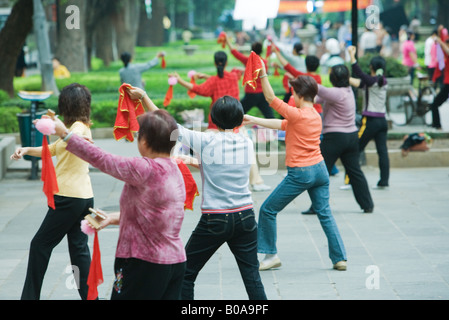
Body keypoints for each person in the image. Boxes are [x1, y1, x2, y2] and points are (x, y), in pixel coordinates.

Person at [130, 88, 267, 300]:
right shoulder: (246, 142)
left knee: (186, 274)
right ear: (239, 119)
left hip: (216, 220)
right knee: (252, 276)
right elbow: (223, 165)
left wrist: (145, 96)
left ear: (213, 118)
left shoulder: (206, 141)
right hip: (246, 218)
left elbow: (168, 125)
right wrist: (194, 162)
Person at [48, 101, 187, 300]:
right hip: (174, 262)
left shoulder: (145, 168)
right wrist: (113, 218)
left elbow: (104, 160)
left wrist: (65, 134)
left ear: (145, 142)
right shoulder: (174, 170)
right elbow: (157, 216)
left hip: (144, 263)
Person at [244, 66, 347, 272]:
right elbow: (282, 124)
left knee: (267, 210)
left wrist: (263, 73)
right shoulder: (314, 115)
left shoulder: (297, 115)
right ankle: (340, 259)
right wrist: (253, 120)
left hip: (301, 172)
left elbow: (270, 97)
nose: (292, 94)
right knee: (325, 214)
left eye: (293, 92)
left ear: (299, 94)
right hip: (320, 170)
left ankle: (271, 255)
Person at [11, 83, 94, 300]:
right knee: (79, 250)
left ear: (67, 105)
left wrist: (56, 127)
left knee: (40, 245)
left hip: (69, 198)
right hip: (84, 197)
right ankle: (90, 297)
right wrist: (27, 149)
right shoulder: (79, 127)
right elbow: (53, 149)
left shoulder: (76, 130)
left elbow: (76, 140)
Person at [171, 51, 271, 192]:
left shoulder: (213, 81)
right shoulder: (234, 75)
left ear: (214, 63)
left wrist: (179, 79)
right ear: (226, 63)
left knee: (200, 152)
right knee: (249, 153)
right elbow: (234, 73)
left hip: (215, 127)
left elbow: (197, 89)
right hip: (236, 125)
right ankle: (256, 182)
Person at [317, 65, 375, 213]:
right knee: (355, 172)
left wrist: (299, 80)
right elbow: (319, 97)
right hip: (351, 137)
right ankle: (367, 204)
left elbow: (319, 89)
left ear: (333, 78)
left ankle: (316, 205)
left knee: (320, 172)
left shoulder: (335, 93)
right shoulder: (348, 91)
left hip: (335, 138)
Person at [348, 46, 390, 189]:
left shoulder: (371, 81)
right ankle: (384, 181)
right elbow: (358, 81)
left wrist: (352, 56)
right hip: (382, 122)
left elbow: (359, 74)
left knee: (355, 149)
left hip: (370, 121)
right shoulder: (382, 81)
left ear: (371, 66)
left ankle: (349, 180)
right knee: (382, 151)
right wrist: (344, 78)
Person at [224, 34, 274, 119]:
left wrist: (227, 40)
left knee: (236, 115)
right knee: (270, 117)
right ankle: (276, 131)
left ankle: (228, 129)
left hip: (251, 94)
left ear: (252, 51)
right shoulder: (264, 62)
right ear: (261, 50)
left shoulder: (248, 61)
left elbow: (235, 53)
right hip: (262, 94)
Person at [430, 28, 449, 130]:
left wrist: (441, 42)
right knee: (435, 104)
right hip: (446, 83)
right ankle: (436, 124)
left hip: (448, 84)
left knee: (435, 104)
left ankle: (437, 125)